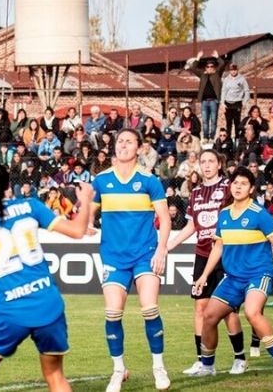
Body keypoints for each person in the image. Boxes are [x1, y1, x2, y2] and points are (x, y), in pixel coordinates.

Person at [0, 161, 93, 392]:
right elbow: (78, 230)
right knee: (55, 375)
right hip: (47, 305)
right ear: (7, 186)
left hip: (9, 310)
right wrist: (87, 201)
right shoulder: (31, 205)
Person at [192, 166, 273, 378]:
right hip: (233, 278)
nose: (238, 187)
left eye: (243, 184)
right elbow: (218, 247)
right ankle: (208, 366)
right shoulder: (224, 214)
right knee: (208, 316)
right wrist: (204, 276)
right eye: (235, 183)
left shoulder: (259, 214)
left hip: (258, 274)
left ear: (251, 188)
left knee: (252, 313)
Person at [87, 128, 171, 392]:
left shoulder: (149, 180)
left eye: (129, 141)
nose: (123, 145)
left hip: (145, 254)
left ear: (139, 148)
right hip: (113, 256)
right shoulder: (100, 180)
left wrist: (161, 250)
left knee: (149, 308)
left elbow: (166, 219)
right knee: (112, 313)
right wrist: (88, 223)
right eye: (120, 141)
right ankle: (118, 369)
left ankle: (158, 365)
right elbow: (89, 211)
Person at [166, 150, 248, 375]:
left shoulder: (229, 188)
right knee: (200, 307)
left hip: (227, 255)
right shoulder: (196, 193)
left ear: (219, 164)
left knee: (229, 310)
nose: (207, 165)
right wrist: (169, 245)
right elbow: (191, 226)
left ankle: (240, 358)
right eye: (203, 161)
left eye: (212, 161)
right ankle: (204, 361)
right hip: (202, 255)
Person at [186, 51, 226, 142]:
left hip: (214, 101)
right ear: (205, 68)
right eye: (208, 67)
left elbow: (222, 64)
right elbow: (193, 68)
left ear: (214, 67)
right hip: (204, 101)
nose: (210, 68)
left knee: (213, 120)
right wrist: (198, 58)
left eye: (211, 66)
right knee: (205, 121)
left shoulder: (217, 74)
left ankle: (211, 138)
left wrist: (217, 57)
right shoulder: (203, 75)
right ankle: (205, 137)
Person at [221, 64, 250, 139]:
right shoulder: (226, 79)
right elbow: (223, 91)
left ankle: (237, 138)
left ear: (237, 70)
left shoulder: (242, 79)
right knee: (228, 122)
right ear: (230, 71)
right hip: (228, 103)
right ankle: (228, 138)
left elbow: (246, 91)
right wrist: (222, 103)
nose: (233, 72)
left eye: (234, 70)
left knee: (237, 122)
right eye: (232, 70)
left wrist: (244, 102)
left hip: (237, 102)